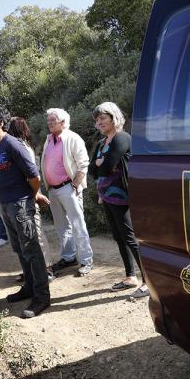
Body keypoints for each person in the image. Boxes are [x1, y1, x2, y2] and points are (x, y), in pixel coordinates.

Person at [0, 107, 51, 318]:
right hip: (8, 205)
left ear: (0, 123)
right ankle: (29, 288)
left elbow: (33, 174)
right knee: (21, 249)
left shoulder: (12, 144)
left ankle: (42, 297)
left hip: (21, 205)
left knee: (32, 249)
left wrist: (32, 195)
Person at [88, 102, 149, 299]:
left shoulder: (122, 138)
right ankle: (130, 276)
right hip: (106, 196)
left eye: (103, 118)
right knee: (118, 236)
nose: (99, 122)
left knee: (130, 237)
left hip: (122, 195)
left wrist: (101, 165)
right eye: (97, 120)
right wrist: (100, 165)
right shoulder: (101, 143)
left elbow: (105, 168)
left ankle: (149, 282)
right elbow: (92, 171)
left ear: (114, 118)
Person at [41, 108, 94, 276]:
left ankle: (86, 261)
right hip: (53, 190)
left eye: (53, 120)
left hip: (68, 188)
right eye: (48, 120)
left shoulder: (72, 138)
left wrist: (75, 184)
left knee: (78, 225)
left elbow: (83, 164)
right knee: (62, 227)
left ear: (63, 122)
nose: (49, 123)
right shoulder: (49, 139)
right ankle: (69, 257)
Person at [7, 117, 55, 282]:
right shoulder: (18, 146)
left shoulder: (22, 147)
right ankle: (33, 271)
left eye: (8, 127)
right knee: (27, 235)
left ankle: (47, 269)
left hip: (30, 193)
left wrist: (35, 193)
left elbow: (32, 173)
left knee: (36, 231)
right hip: (25, 194)